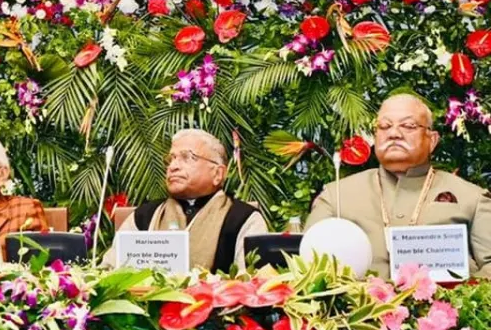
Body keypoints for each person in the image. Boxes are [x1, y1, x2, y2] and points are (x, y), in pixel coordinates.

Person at [306, 93, 491, 278]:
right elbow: (307, 267)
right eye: (384, 126)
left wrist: (462, 292)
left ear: (432, 140)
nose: (394, 134)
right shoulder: (336, 195)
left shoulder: (472, 198)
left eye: (408, 126)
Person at [107, 129, 267, 272]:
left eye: (187, 157)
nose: (173, 166)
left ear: (218, 174)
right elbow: (108, 272)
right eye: (171, 159)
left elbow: (255, 283)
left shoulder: (244, 219)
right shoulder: (143, 217)